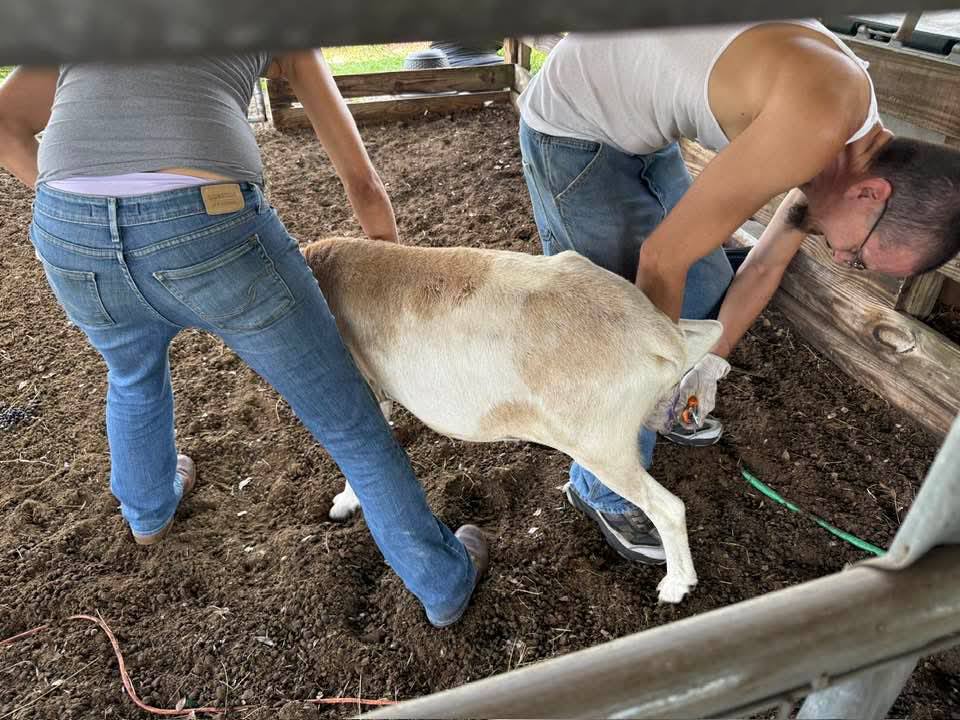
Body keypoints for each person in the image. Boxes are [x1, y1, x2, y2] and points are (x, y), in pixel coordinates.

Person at [0, 51, 488, 628]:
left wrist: (86, 210)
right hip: (208, 224)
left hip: (68, 231)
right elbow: (362, 182)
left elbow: (6, 121)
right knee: (346, 417)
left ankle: (149, 511)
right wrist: (386, 263)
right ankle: (442, 578)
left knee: (131, 372)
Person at [518, 20, 960, 565]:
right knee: (613, 321)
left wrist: (708, 364)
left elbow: (769, 258)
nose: (844, 260)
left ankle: (656, 407)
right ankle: (605, 486)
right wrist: (654, 387)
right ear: (872, 193)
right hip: (574, 128)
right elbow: (661, 259)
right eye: (862, 254)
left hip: (638, 124)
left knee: (703, 287)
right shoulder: (812, 129)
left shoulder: (850, 145)